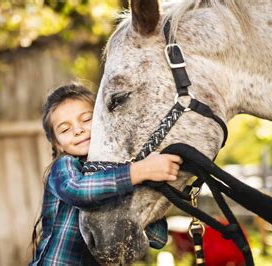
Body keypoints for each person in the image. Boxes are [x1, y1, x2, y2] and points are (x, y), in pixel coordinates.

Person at [30, 83, 182, 265]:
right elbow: (78, 190)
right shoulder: (64, 167)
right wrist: (141, 170)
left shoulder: (117, 173)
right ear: (58, 145)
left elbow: (158, 238)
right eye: (65, 129)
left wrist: (146, 184)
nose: (78, 130)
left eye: (86, 119)